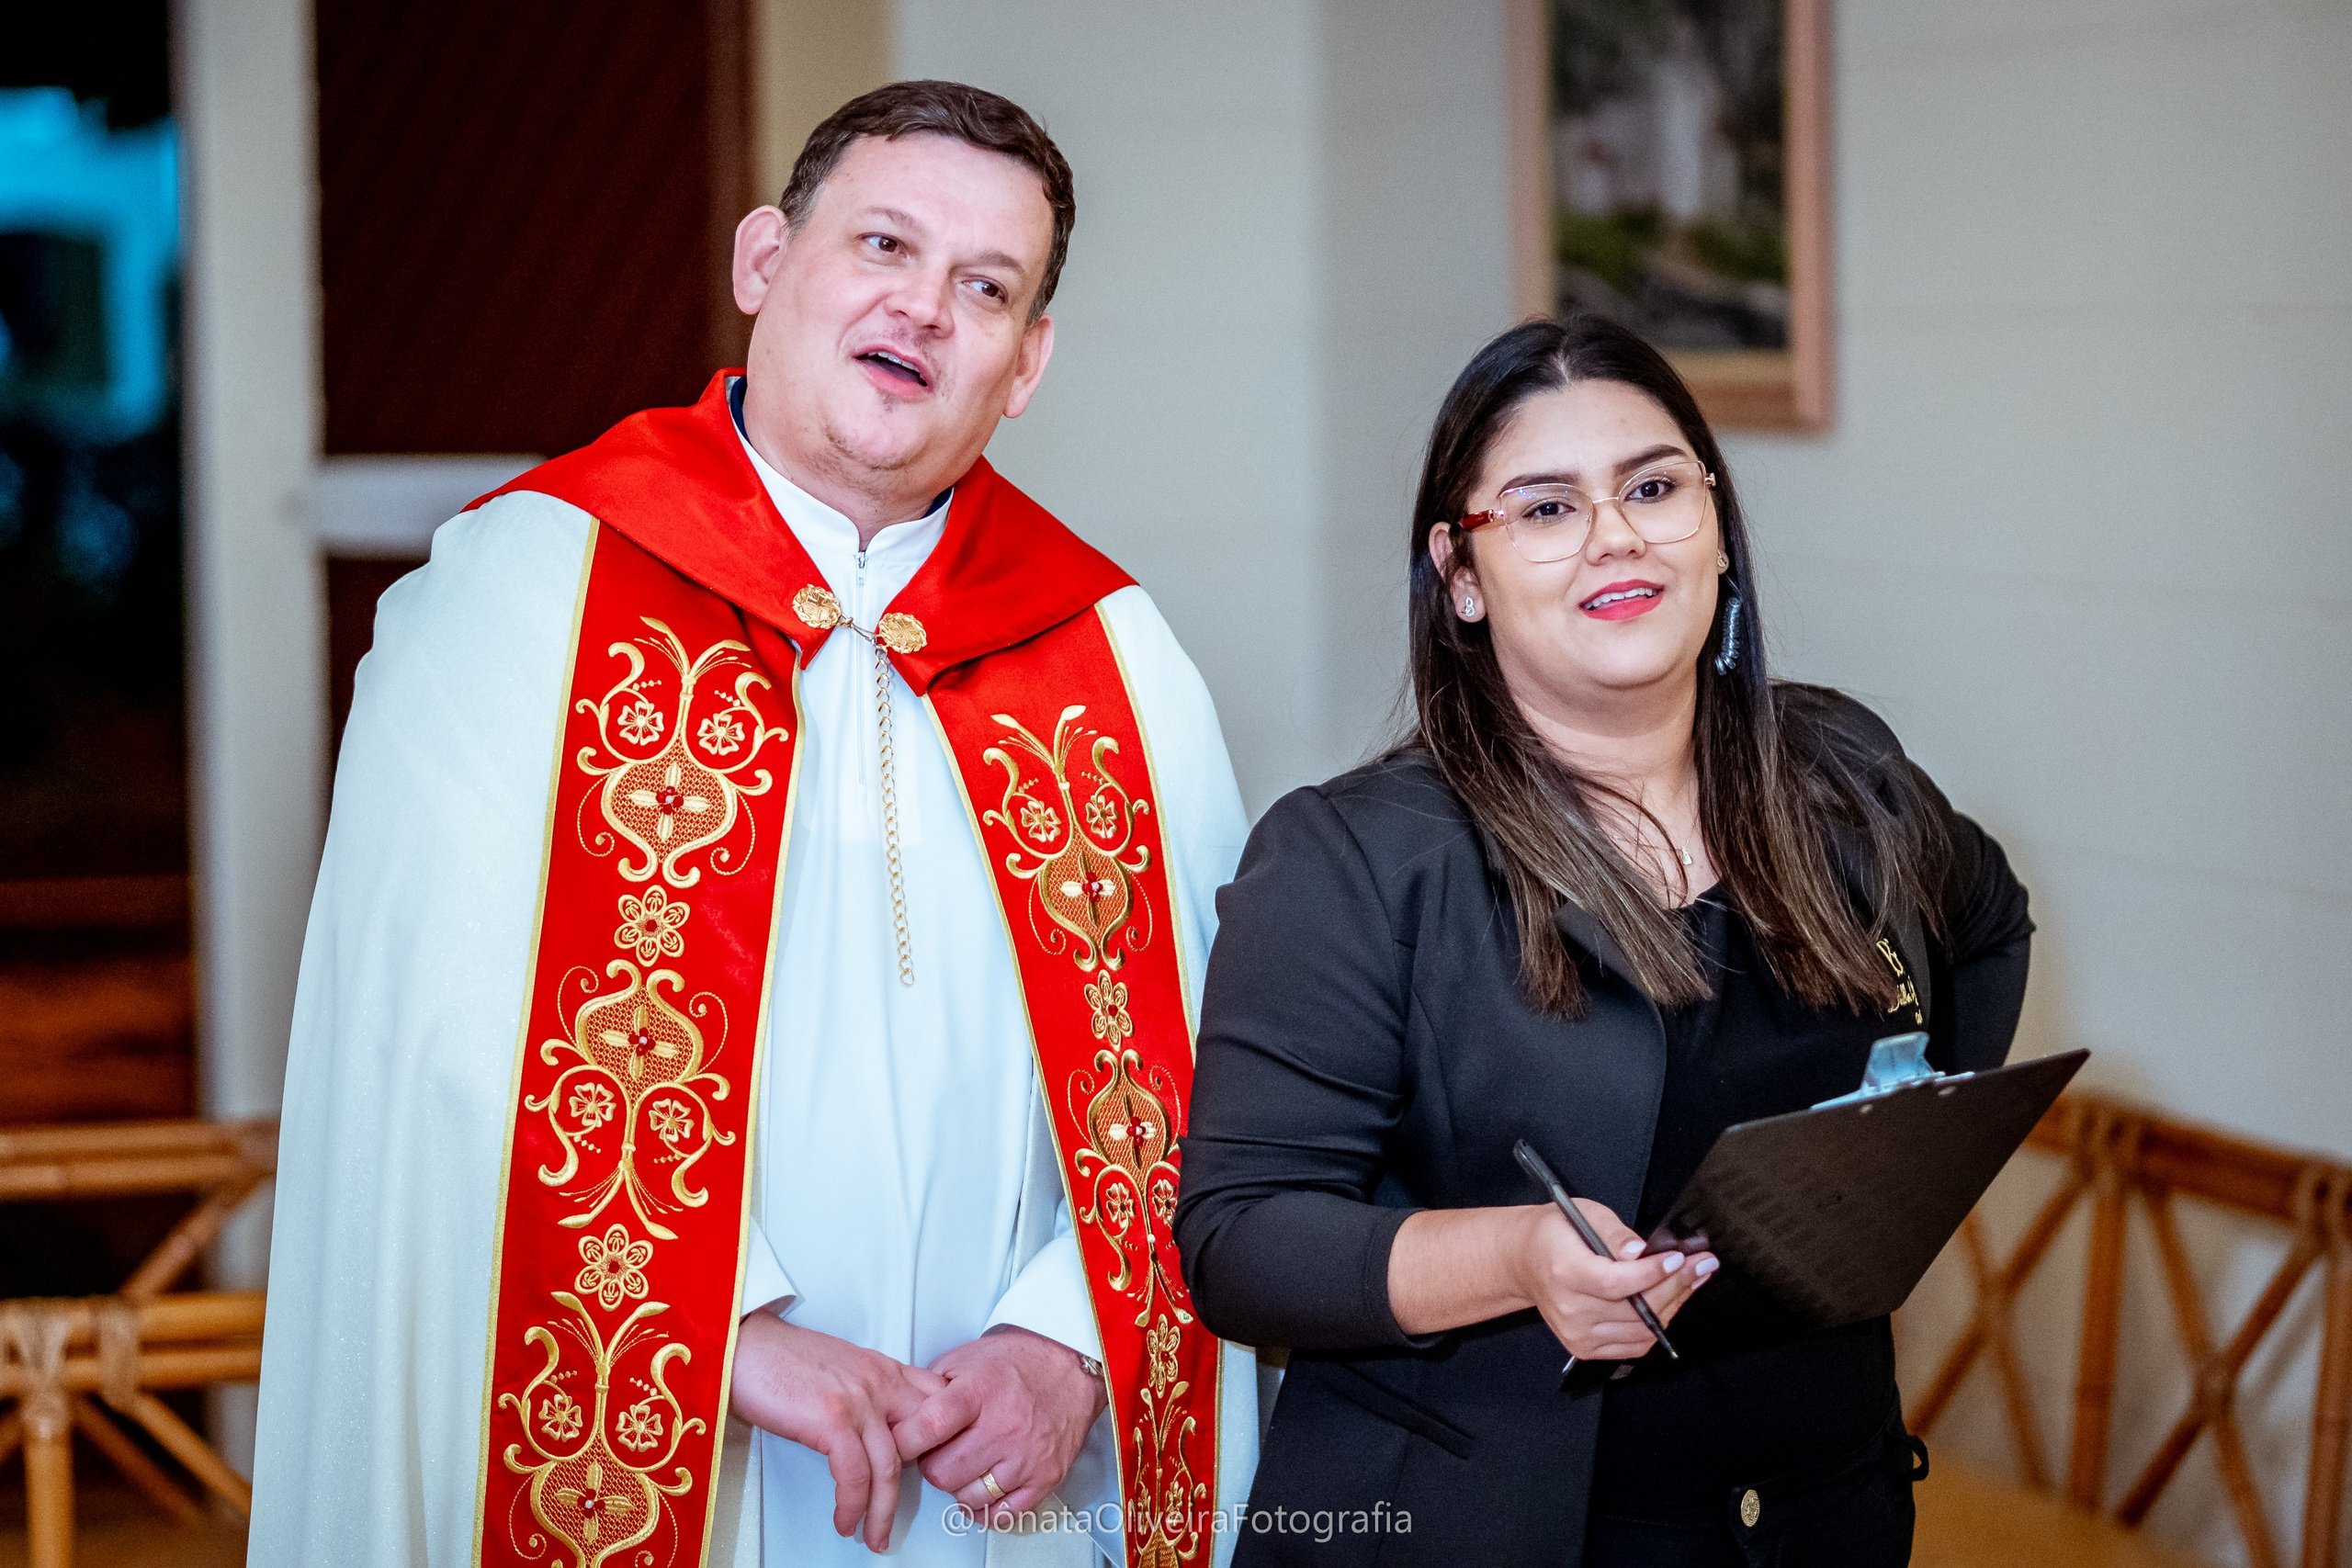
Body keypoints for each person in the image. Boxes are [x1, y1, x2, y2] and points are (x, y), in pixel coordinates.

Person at [252, 80, 1262, 1568]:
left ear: (1027, 363)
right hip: (677, 1439)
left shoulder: (1115, 660)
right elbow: (437, 1050)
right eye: (883, 246)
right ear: (765, 261)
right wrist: (718, 1326)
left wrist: (1068, 1342)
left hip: (1011, 1483)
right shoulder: (517, 601)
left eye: (985, 287)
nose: (923, 310)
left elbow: (1206, 1048)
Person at [1173, 315, 2031, 1566]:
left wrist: (1886, 1164)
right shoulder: (1355, 859)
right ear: (1461, 575)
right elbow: (1241, 1241)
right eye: (1545, 508)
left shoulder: (1841, 770)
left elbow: (1987, 925)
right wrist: (1519, 1257)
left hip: (1825, 1519)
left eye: (1654, 487)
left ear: (1717, 526)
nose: (1615, 535)